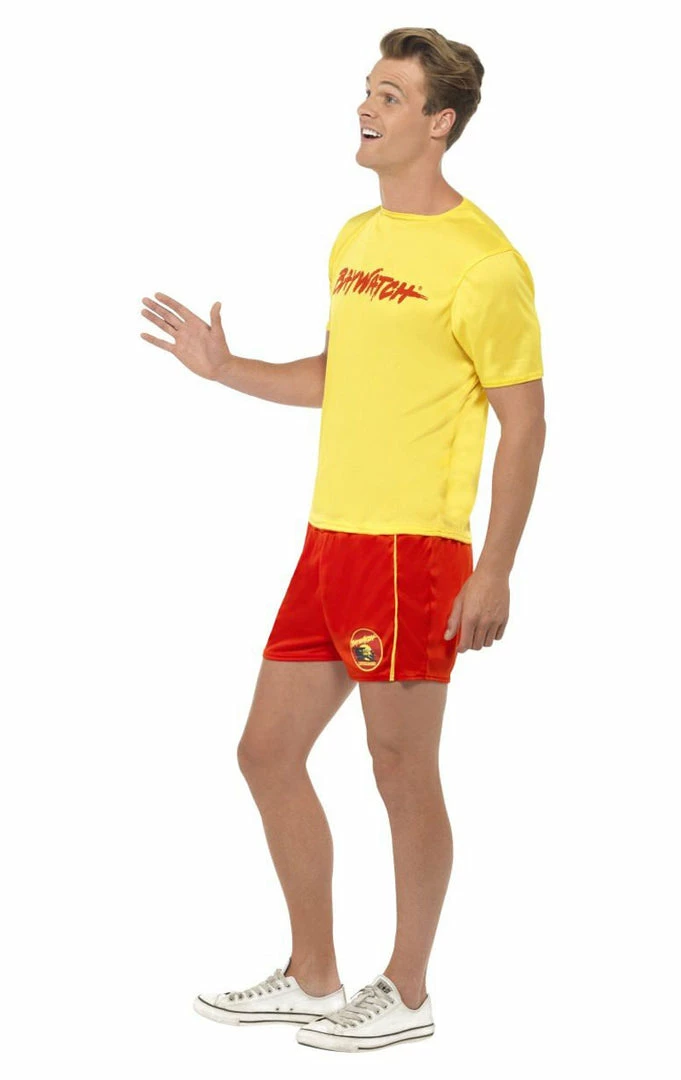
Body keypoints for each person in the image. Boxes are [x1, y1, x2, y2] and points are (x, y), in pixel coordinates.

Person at [140, 26, 546, 1054]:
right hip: (329, 540)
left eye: (391, 96)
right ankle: (315, 975)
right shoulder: (356, 240)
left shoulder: (486, 264)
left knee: (399, 767)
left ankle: (405, 990)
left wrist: (495, 568)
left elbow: (526, 421)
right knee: (265, 751)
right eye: (367, 89)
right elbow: (338, 378)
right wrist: (225, 368)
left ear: (439, 123)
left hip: (413, 553)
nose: (366, 106)